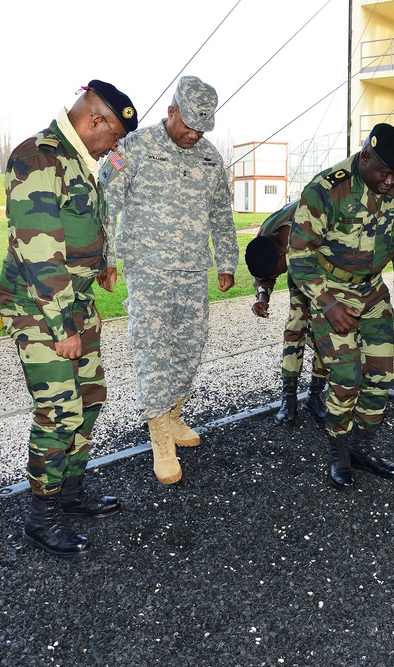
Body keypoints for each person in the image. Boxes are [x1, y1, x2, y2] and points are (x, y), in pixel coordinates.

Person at [0, 79, 138, 559]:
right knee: (59, 412)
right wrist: (65, 328)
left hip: (73, 303)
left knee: (92, 397)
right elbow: (39, 255)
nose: (114, 146)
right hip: (42, 309)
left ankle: (71, 493)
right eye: (114, 135)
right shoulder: (38, 157)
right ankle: (41, 519)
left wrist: (98, 267)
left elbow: (80, 227)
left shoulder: (79, 160)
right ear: (95, 120)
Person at [102, 75, 237, 486]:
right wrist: (107, 258)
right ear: (171, 110)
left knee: (191, 346)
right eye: (188, 124)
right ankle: (159, 435)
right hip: (149, 269)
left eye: (202, 128)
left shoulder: (211, 158)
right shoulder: (134, 148)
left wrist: (226, 262)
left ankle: (172, 415)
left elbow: (221, 213)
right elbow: (107, 201)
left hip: (192, 269)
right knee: (153, 350)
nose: (194, 134)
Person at [288, 123, 394, 490]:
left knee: (380, 375)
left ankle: (363, 447)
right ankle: (338, 453)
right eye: (383, 172)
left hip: (374, 292)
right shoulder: (327, 190)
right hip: (332, 290)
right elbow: (298, 253)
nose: (389, 182)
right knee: (346, 377)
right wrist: (326, 303)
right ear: (364, 158)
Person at [244, 199, 329, 424]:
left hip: (322, 266)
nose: (276, 276)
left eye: (278, 271)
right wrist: (263, 297)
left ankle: (315, 395)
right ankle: (288, 398)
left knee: (324, 330)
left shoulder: (313, 222)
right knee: (295, 326)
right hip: (299, 264)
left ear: (284, 257)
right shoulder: (267, 233)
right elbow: (264, 271)